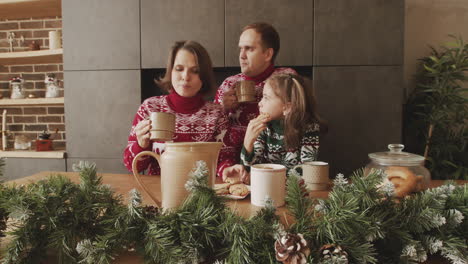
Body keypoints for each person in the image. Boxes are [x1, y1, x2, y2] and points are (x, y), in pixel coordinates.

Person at [123, 40, 236, 177]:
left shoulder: (217, 113)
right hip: (160, 193)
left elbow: (225, 159)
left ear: (204, 77)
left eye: (195, 71)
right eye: (179, 69)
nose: (185, 77)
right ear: (171, 71)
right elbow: (131, 165)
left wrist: (226, 170)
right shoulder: (150, 108)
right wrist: (141, 144)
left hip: (202, 195)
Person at [214, 22, 297, 179]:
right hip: (234, 165)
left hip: (275, 166)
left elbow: (298, 120)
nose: (242, 55)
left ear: (267, 54)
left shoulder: (285, 79)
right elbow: (214, 131)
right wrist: (223, 107)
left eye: (249, 49)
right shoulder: (228, 84)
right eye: (240, 48)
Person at [223, 74, 326, 182]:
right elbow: (248, 172)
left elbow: (307, 171)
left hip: (295, 192)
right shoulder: (264, 126)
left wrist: (269, 176)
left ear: (287, 107)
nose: (260, 103)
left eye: (266, 98)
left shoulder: (309, 128)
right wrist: (248, 142)